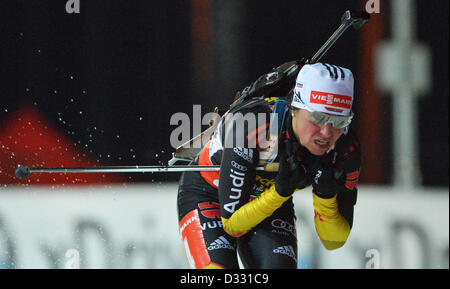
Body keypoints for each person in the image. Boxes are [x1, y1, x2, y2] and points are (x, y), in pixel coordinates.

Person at [177, 62, 361, 269]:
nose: (327, 132)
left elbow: (333, 241)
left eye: (339, 121)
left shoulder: (345, 149)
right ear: (295, 109)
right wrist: (280, 192)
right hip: (210, 193)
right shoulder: (254, 125)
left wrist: (325, 196)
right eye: (318, 118)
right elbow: (232, 225)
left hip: (269, 204)